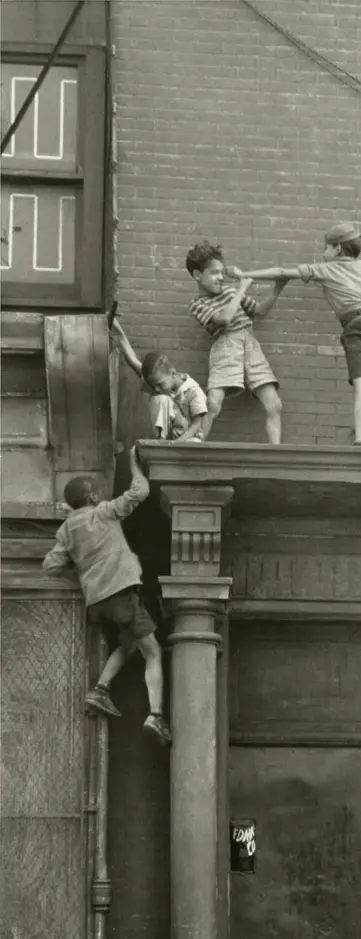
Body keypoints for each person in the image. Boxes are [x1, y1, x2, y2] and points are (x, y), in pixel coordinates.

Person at [42, 444, 171, 746]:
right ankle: (156, 714)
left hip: (98, 603)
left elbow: (51, 566)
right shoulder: (103, 512)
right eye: (97, 492)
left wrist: (85, 573)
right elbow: (140, 491)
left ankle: (100, 690)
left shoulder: (66, 529)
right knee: (153, 651)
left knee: (128, 645)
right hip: (121, 593)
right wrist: (133, 464)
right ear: (92, 497)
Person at [241, 222, 361, 449]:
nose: (323, 253)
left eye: (326, 248)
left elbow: (282, 273)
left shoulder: (325, 269)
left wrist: (244, 274)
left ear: (338, 249)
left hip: (359, 326)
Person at [185, 240, 286, 444]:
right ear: (197, 275)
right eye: (214, 273)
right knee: (213, 404)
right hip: (226, 345)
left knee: (274, 404)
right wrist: (240, 289)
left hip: (250, 343)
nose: (220, 277)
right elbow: (224, 319)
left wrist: (277, 288)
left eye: (221, 272)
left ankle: (275, 454)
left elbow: (259, 311)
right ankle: (195, 445)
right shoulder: (198, 304)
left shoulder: (230, 292)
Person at [111, 317, 208, 442]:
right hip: (169, 439)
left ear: (173, 373)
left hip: (188, 439)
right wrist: (117, 328)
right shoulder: (161, 381)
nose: (156, 388)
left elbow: (197, 425)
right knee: (133, 452)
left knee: (162, 399)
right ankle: (159, 441)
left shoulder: (194, 391)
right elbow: (133, 360)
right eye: (153, 384)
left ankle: (161, 446)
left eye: (159, 384)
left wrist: (176, 443)